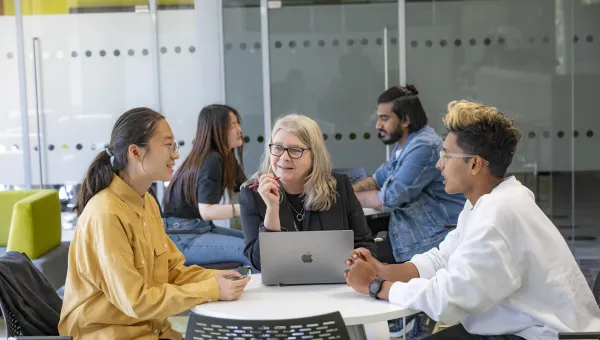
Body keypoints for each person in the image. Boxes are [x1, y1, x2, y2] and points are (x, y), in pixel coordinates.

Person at [345, 100, 600, 340]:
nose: (439, 165)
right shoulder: (491, 199)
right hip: (518, 328)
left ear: (475, 164)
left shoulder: (497, 215)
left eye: (446, 156)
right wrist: (382, 270)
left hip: (537, 335)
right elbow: (442, 258)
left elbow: (448, 301)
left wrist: (376, 285)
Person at [59, 108, 251, 340]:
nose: (176, 155)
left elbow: (173, 271)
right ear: (135, 152)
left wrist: (212, 279)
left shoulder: (147, 202)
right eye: (168, 145)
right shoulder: (106, 214)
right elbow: (136, 301)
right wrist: (210, 290)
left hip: (152, 331)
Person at [353, 85, 466, 338]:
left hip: (434, 239)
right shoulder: (405, 145)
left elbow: (390, 197)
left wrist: (347, 200)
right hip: (414, 239)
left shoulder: (424, 146)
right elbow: (377, 179)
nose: (378, 125)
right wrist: (342, 193)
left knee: (367, 256)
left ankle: (407, 328)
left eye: (384, 118)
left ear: (404, 119)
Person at [240, 114, 376, 271]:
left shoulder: (339, 186)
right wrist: (272, 210)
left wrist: (357, 261)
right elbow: (259, 264)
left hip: (335, 285)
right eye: (277, 148)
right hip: (280, 291)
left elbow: (365, 245)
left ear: (314, 155)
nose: (284, 157)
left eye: (295, 150)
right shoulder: (252, 194)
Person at [162, 104, 250, 266]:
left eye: (238, 123)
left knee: (256, 244)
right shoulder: (211, 160)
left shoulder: (226, 158)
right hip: (183, 237)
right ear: (217, 129)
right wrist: (245, 208)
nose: (239, 130)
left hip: (200, 228)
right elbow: (207, 211)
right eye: (232, 125)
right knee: (251, 250)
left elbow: (246, 188)